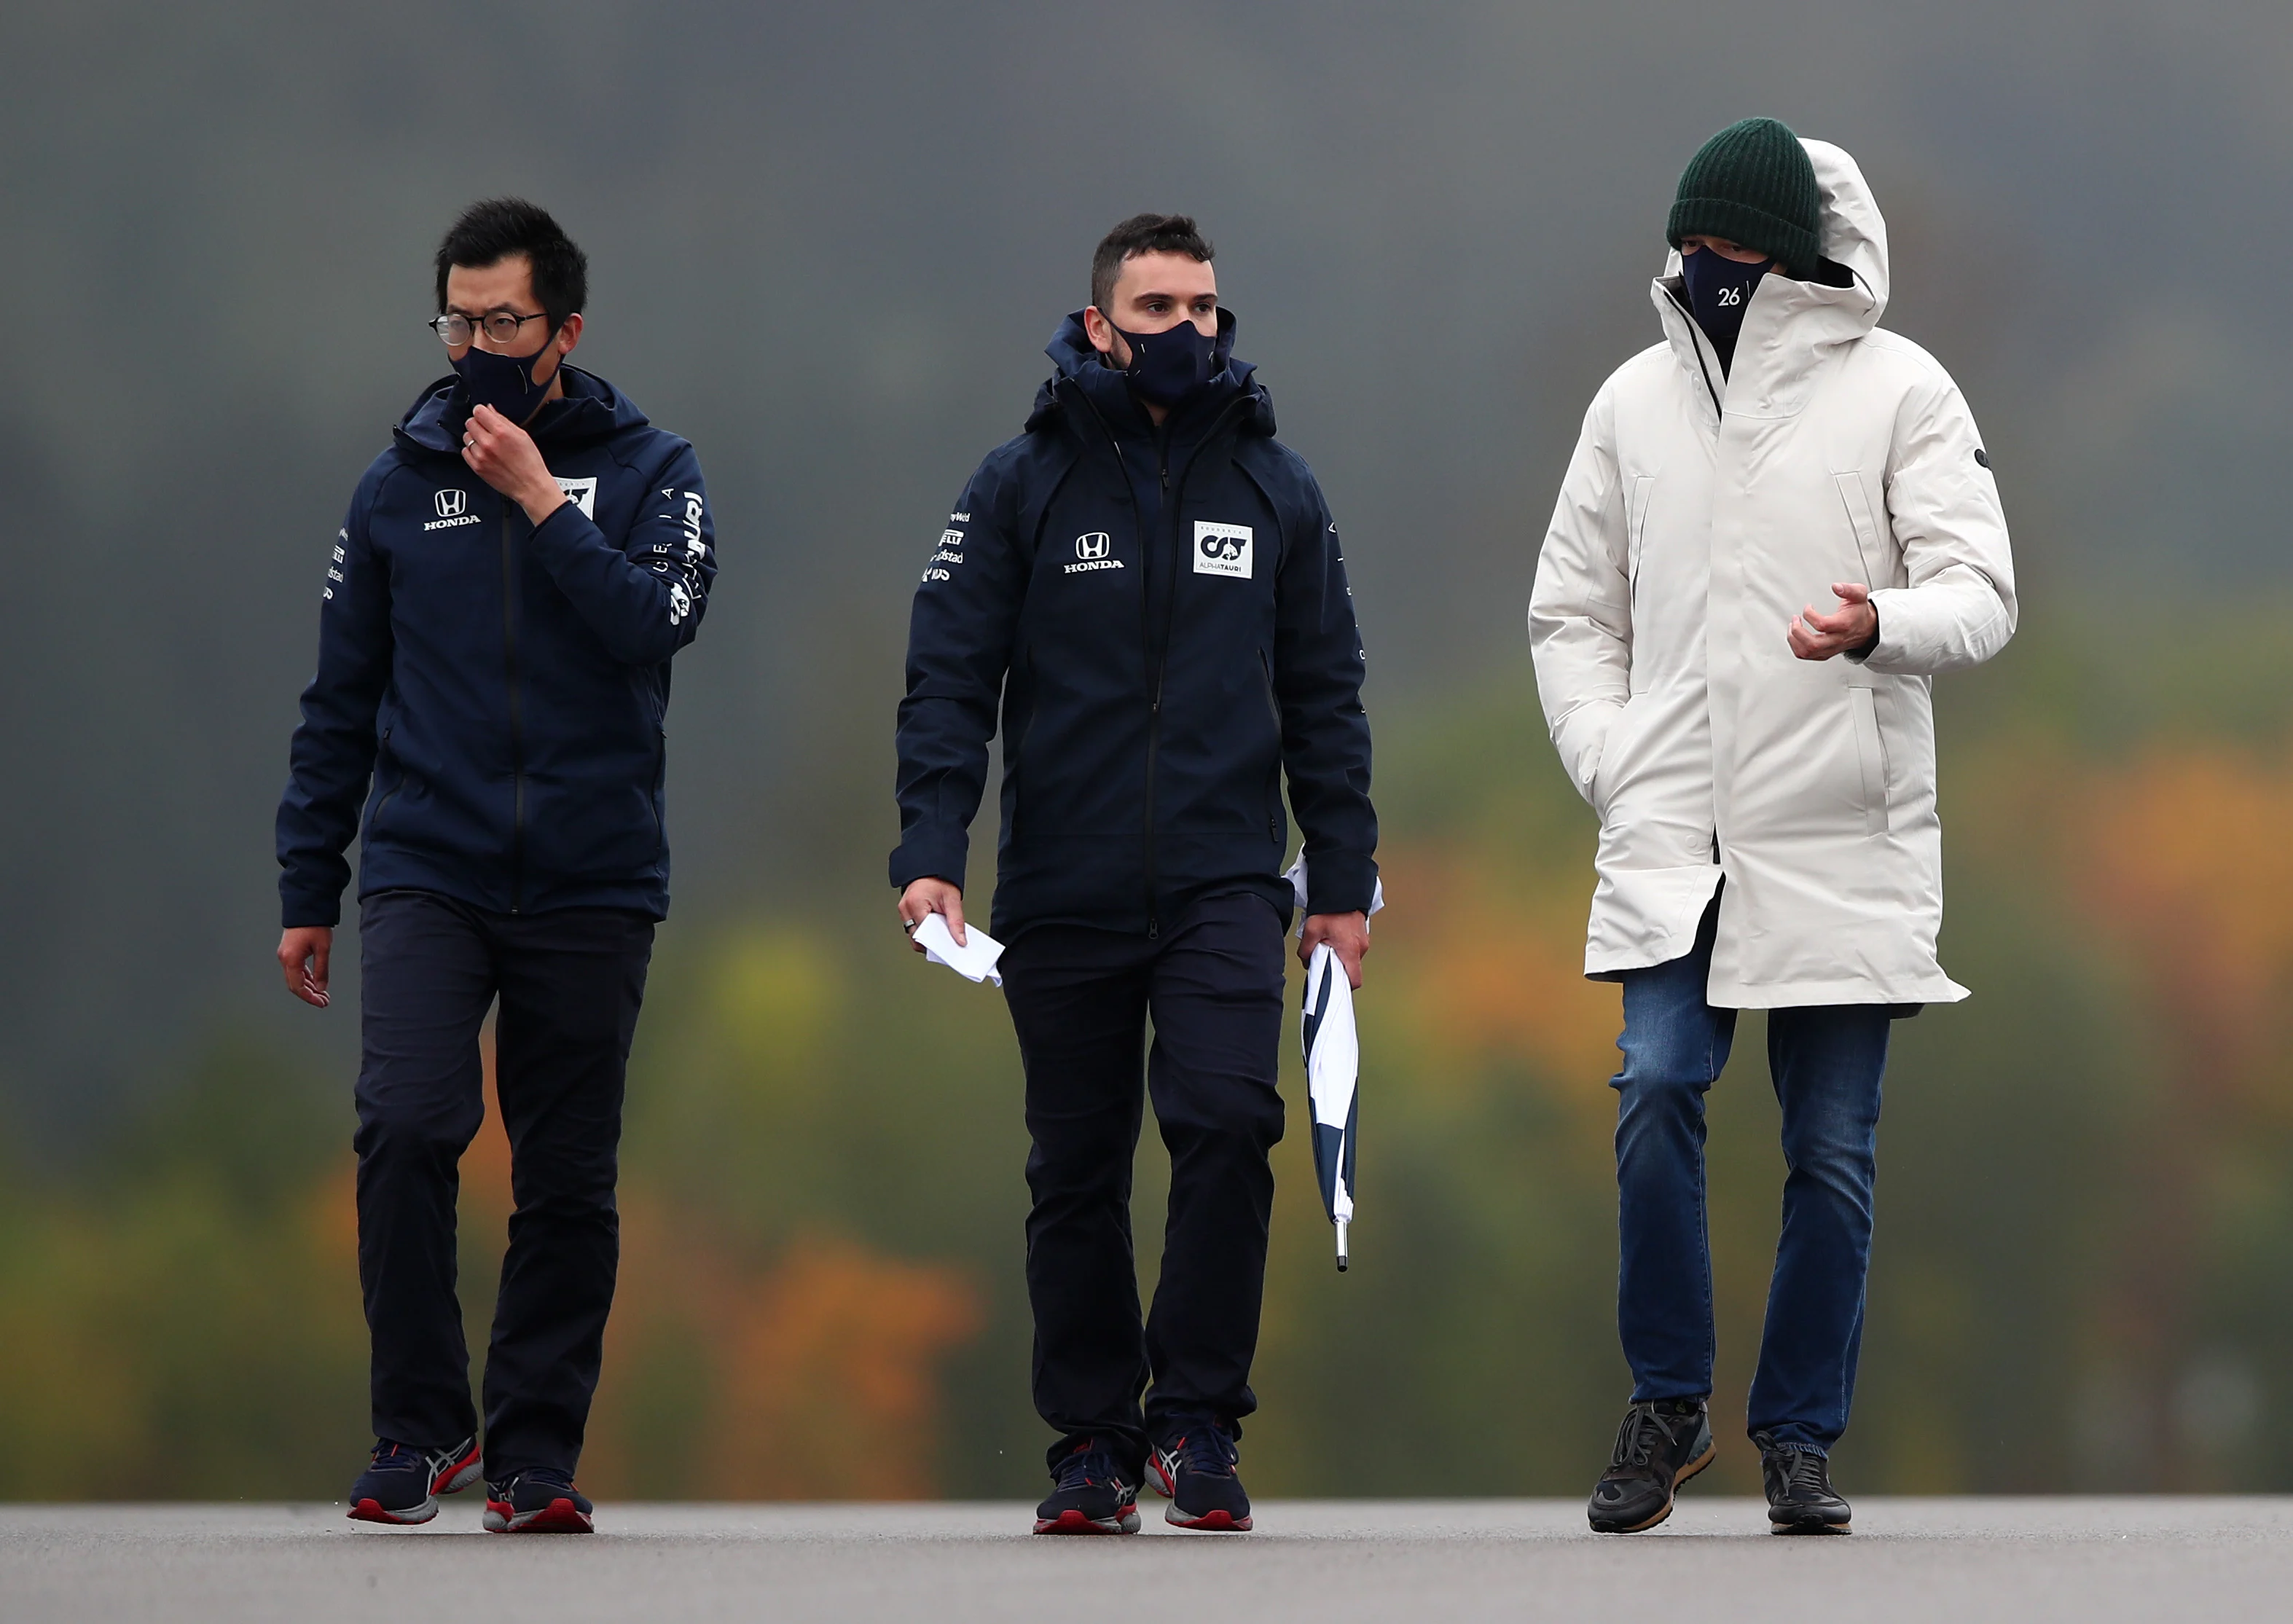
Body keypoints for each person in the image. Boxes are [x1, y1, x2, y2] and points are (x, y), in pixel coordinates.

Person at [1529, 120, 2015, 1535]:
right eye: (1693, 246)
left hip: (1840, 828)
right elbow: (1570, 611)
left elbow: (1981, 589)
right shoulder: (1628, 404)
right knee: (1654, 1092)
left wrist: (1879, 624)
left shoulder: (1902, 390)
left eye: (1735, 247)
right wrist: (1609, 758)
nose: (1709, 268)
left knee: (1833, 1150)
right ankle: (1666, 1403)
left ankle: (1797, 1435)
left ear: (1797, 253)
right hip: (1672, 827)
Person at [891, 214, 1377, 1534]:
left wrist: (1342, 877)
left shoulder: (1279, 487)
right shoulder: (1019, 483)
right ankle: (1093, 1446)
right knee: (1077, 1166)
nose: (1187, 331)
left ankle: (1198, 1424)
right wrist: (932, 849)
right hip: (1063, 882)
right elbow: (946, 680)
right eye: (1157, 308)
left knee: (1229, 1122)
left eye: (1205, 308)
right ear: (1100, 325)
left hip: (1227, 879)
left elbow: (1325, 694)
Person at [274, 197, 715, 1533]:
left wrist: (538, 499)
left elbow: (657, 623)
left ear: (563, 331)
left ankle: (534, 1456)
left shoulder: (654, 468)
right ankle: (417, 1429)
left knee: (566, 1176)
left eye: (501, 322)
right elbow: (338, 698)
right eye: (455, 319)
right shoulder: (394, 486)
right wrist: (309, 885)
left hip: (591, 876)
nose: (472, 343)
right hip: (428, 864)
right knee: (406, 1125)